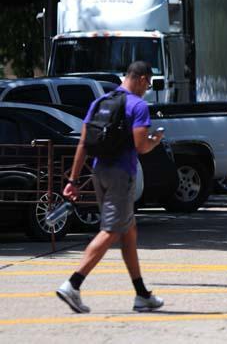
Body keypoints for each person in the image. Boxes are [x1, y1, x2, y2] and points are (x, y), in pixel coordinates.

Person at [56, 61, 165, 313]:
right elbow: (141, 146)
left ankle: (141, 294)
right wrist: (155, 141)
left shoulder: (100, 102)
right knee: (111, 230)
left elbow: (83, 143)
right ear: (140, 78)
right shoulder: (138, 106)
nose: (146, 88)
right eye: (147, 84)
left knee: (128, 231)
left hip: (99, 171)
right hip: (121, 174)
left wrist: (72, 181)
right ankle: (73, 283)